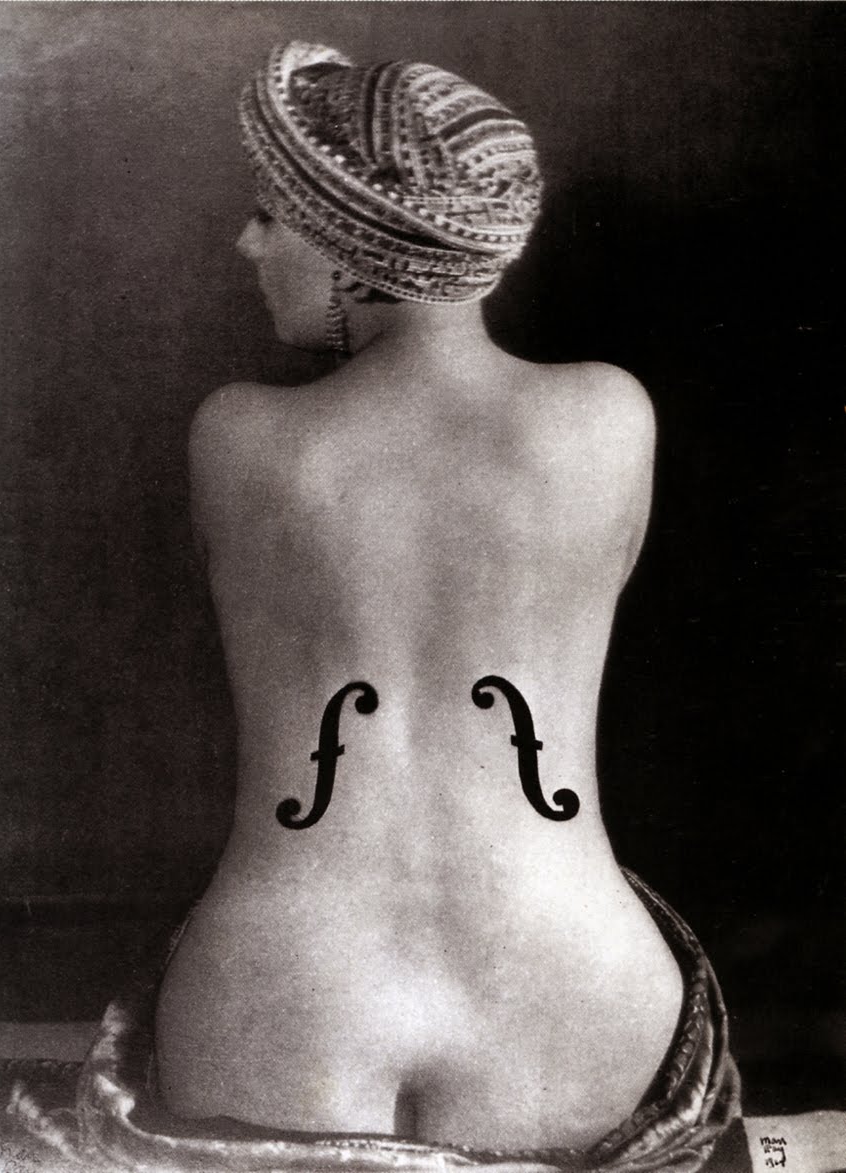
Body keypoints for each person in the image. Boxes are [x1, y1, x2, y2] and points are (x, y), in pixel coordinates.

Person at [150, 41, 738, 1162]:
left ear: (350, 243)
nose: (247, 242)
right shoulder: (610, 419)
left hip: (285, 998)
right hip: (572, 990)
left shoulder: (236, 436)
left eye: (274, 214)